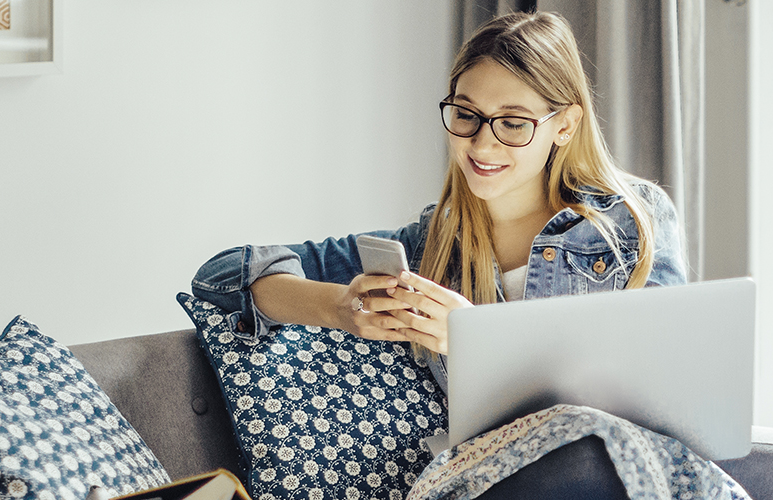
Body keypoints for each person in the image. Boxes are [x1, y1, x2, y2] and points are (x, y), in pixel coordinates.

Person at [192, 11, 686, 395]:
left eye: (513, 123)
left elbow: (664, 380)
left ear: (565, 125)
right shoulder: (431, 247)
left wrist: (478, 339)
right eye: (466, 114)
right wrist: (342, 308)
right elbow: (224, 275)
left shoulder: (631, 221)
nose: (482, 145)